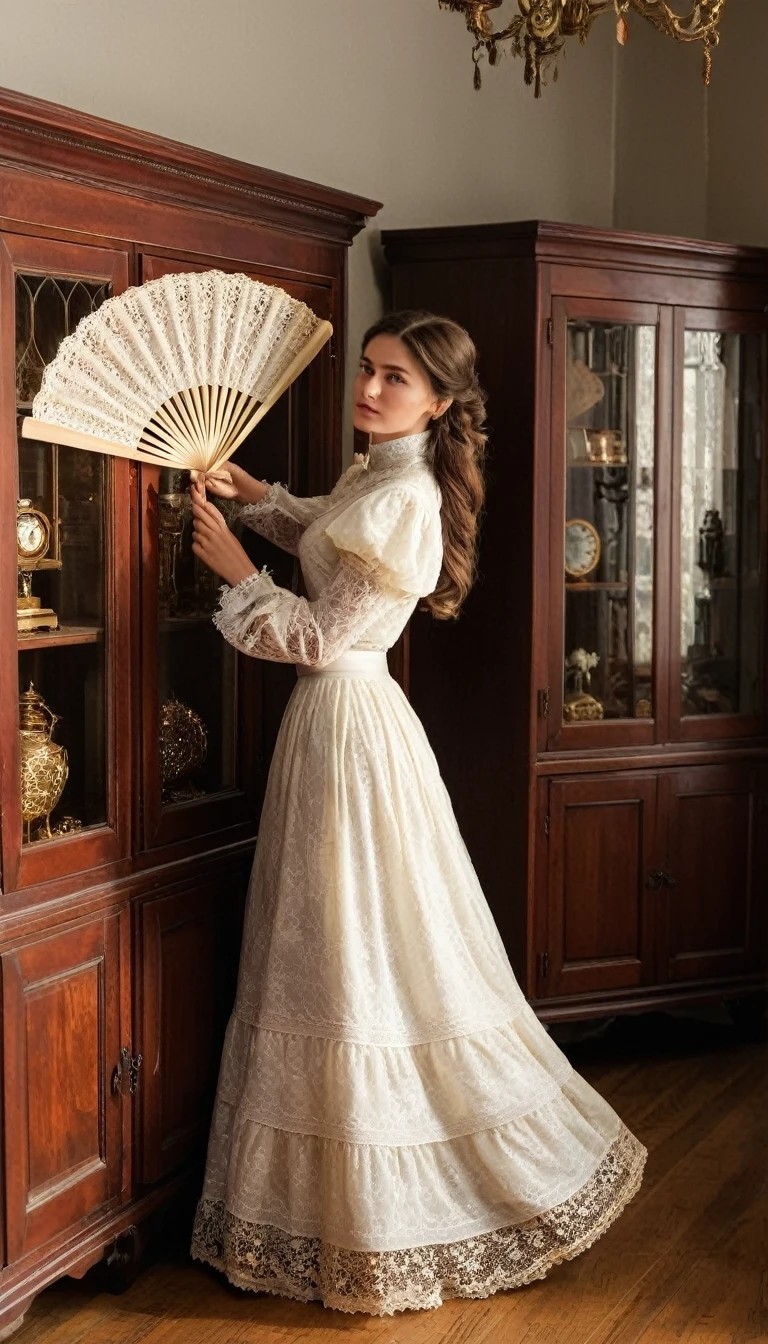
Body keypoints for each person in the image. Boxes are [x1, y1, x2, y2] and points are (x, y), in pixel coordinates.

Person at [187, 310, 646, 1317]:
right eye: (367, 368)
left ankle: (384, 1213)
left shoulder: (405, 496)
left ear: (437, 402)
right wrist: (257, 498)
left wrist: (235, 571)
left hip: (348, 721)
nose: (370, 386)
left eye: (395, 378)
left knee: (357, 953)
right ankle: (322, 1209)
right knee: (329, 945)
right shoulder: (376, 474)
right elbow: (320, 525)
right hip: (337, 728)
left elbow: (316, 635)